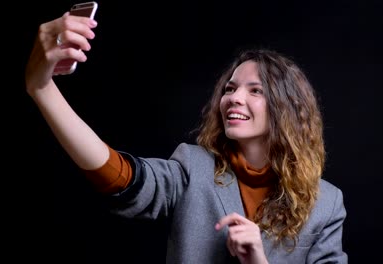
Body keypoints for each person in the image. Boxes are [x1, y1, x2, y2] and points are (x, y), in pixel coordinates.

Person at [25, 11, 348, 264]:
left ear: (287, 109)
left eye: (256, 91)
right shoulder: (193, 167)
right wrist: (43, 90)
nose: (233, 98)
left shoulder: (327, 204)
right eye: (230, 88)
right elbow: (119, 175)